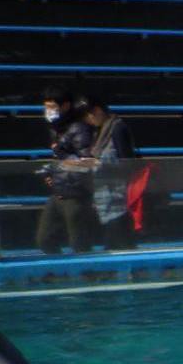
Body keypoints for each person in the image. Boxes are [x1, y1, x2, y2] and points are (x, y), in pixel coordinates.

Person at [38, 90, 95, 254]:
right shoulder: (57, 130)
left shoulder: (79, 129)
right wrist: (50, 173)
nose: (48, 111)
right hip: (58, 191)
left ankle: (87, 273)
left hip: (76, 193)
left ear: (65, 106)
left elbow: (87, 162)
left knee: (79, 242)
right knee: (45, 239)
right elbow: (59, 160)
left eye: (52, 107)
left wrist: (61, 154)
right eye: (46, 107)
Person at [78, 96, 139, 250]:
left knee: (117, 243)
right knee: (116, 242)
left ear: (97, 111)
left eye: (88, 115)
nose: (87, 120)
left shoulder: (117, 128)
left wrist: (100, 164)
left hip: (118, 198)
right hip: (105, 197)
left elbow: (127, 163)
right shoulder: (99, 132)